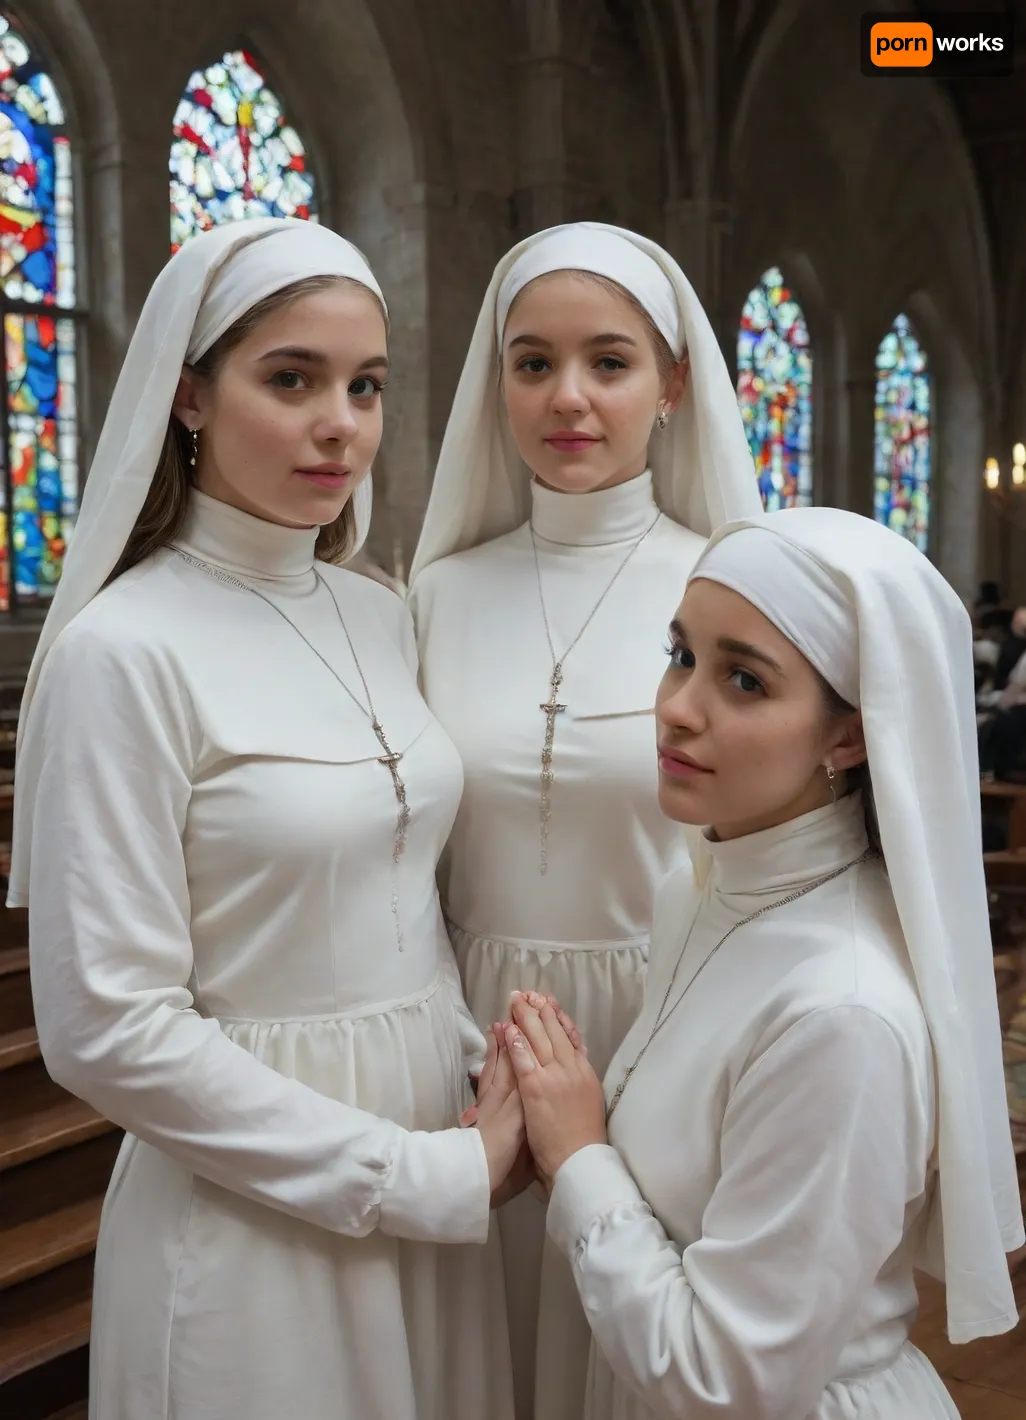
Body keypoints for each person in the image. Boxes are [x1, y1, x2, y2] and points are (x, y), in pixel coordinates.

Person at [7, 218, 521, 1420]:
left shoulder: (380, 611)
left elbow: (405, 902)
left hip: (431, 1158)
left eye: (365, 386)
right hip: (253, 1198)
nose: (339, 422)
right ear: (188, 396)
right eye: (290, 379)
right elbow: (106, 1028)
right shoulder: (123, 651)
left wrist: (477, 1079)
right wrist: (405, 1173)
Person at [496, 506, 1024, 1419]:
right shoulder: (696, 886)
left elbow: (729, 1380)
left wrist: (579, 1155)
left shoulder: (843, 1011)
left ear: (850, 735)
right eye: (682, 653)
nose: (677, 706)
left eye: (744, 680)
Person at [407, 221, 762, 1419]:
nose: (568, 397)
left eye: (609, 362)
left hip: (661, 1031)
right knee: (482, 1360)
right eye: (532, 361)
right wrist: (470, 1050)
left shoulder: (731, 581)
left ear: (671, 384)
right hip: (466, 1041)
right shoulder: (440, 590)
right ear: (495, 380)